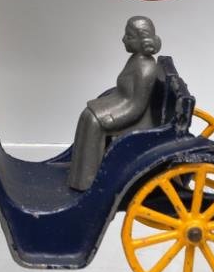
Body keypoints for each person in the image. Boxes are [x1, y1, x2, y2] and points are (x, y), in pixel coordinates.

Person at [68, 17, 162, 191]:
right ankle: (81, 173)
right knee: (88, 114)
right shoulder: (136, 60)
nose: (124, 39)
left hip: (136, 117)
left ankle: (87, 181)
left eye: (129, 36)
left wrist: (111, 119)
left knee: (94, 121)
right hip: (122, 102)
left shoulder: (145, 69)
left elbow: (136, 107)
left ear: (142, 40)